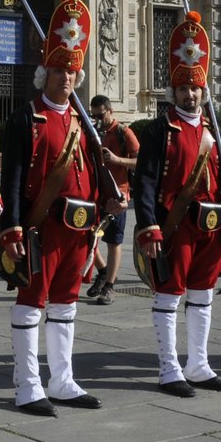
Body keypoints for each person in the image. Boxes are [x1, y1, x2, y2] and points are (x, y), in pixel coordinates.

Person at [0, 0, 118, 415]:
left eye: (72, 71)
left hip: (79, 228)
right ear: (44, 72)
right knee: (32, 304)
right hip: (41, 228)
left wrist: (108, 199)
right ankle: (28, 384)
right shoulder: (24, 116)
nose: (66, 78)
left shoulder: (82, 121)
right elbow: (11, 177)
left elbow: (89, 169)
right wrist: (10, 228)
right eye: (59, 70)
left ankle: (62, 379)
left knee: (66, 303)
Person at [133, 10, 221, 397]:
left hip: (210, 228)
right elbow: (144, 181)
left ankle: (198, 365)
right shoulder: (160, 129)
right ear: (173, 91)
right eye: (183, 88)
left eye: (195, 88)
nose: (190, 94)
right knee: (169, 297)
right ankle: (169, 369)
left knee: (202, 296)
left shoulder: (212, 132)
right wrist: (148, 225)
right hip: (173, 226)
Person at [87, 94, 138, 305]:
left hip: (118, 194)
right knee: (87, 237)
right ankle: (103, 271)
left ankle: (109, 286)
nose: (98, 119)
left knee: (113, 241)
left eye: (101, 115)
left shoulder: (123, 132)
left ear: (110, 110)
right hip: (96, 193)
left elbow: (141, 162)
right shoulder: (93, 132)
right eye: (94, 115)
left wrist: (117, 160)